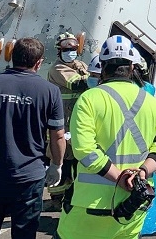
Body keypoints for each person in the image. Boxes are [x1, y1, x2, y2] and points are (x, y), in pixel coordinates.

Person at [57, 35, 156, 239]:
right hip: (133, 205)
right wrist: (143, 171)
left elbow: (85, 150)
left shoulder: (88, 99)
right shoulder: (152, 103)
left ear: (102, 66)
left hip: (89, 207)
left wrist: (119, 176)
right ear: (131, 67)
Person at [0, 37, 66, 239]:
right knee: (24, 234)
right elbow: (58, 135)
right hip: (30, 177)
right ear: (39, 62)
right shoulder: (50, 92)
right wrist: (57, 164)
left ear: (11, 57)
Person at [46, 32, 90, 211]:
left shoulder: (79, 65)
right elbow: (78, 84)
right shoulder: (57, 69)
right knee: (60, 158)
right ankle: (56, 197)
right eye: (66, 50)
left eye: (73, 49)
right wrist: (95, 76)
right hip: (61, 121)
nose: (70, 52)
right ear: (59, 51)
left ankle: (72, 194)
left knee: (75, 159)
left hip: (76, 120)